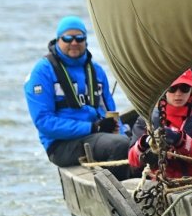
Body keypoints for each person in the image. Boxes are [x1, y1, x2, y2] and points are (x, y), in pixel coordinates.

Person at [24, 15, 130, 180]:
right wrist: (92, 128)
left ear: (86, 41)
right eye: (68, 38)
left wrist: (124, 135)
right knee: (119, 146)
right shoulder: (42, 72)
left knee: (134, 143)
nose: (74, 43)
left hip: (95, 135)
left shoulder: (96, 71)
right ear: (58, 40)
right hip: (61, 144)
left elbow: (110, 112)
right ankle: (119, 198)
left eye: (79, 38)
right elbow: (44, 122)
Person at [129, 70, 192, 179]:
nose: (178, 93)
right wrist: (145, 142)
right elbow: (132, 160)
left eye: (184, 88)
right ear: (163, 90)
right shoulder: (146, 120)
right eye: (172, 88)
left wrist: (179, 139)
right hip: (159, 182)